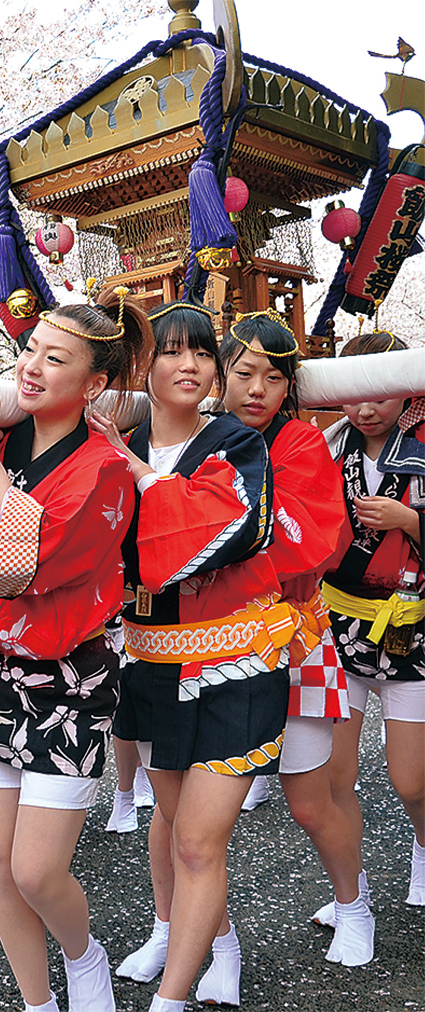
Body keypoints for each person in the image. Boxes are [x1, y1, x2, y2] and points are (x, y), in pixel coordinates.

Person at [0, 288, 148, 1012]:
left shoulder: (105, 467)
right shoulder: (8, 440)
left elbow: (23, 562)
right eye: (28, 351)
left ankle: (85, 955)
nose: (32, 367)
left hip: (70, 679)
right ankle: (36, 1001)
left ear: (96, 384)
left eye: (56, 359)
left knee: (38, 870)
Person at [91, 301, 287, 1012]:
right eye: (172, 352)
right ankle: (214, 946)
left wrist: (138, 473)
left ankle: (172, 999)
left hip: (235, 664)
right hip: (151, 661)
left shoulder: (237, 443)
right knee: (173, 830)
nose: (190, 366)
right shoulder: (114, 439)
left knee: (200, 842)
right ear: (144, 365)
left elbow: (233, 529)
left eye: (202, 353)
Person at [220, 311, 368, 962]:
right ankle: (199, 939)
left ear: (290, 390)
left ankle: (353, 902)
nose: (256, 389)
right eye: (243, 372)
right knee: (192, 817)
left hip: (289, 634)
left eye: (273, 378)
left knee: (310, 801)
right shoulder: (196, 439)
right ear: (220, 373)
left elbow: (317, 546)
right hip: (209, 643)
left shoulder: (303, 447)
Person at [319, 332, 425, 927]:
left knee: (411, 781)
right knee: (335, 777)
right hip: (339, 625)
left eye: (381, 393)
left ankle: (423, 845)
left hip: (411, 632)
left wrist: (410, 519)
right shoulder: (328, 447)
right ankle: (347, 890)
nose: (365, 407)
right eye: (354, 393)